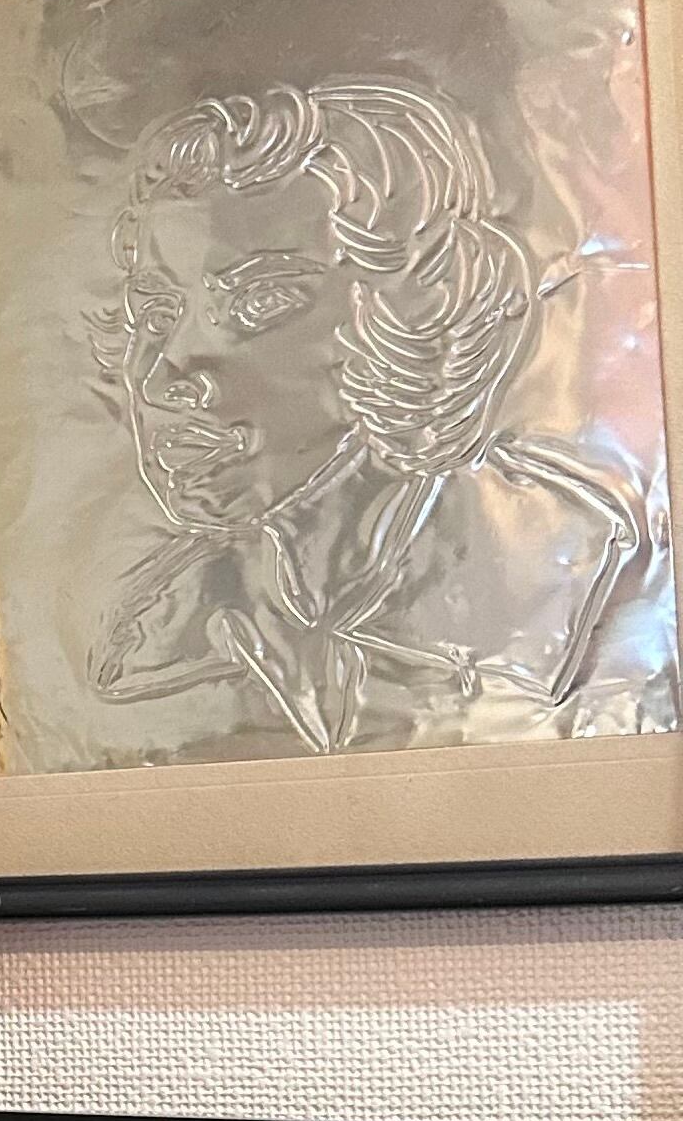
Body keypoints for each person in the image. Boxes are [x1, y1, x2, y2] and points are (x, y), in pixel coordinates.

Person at [86, 76, 656, 753]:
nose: (169, 375)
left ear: (405, 311)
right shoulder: (153, 639)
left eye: (258, 304)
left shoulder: (565, 567)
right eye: (155, 316)